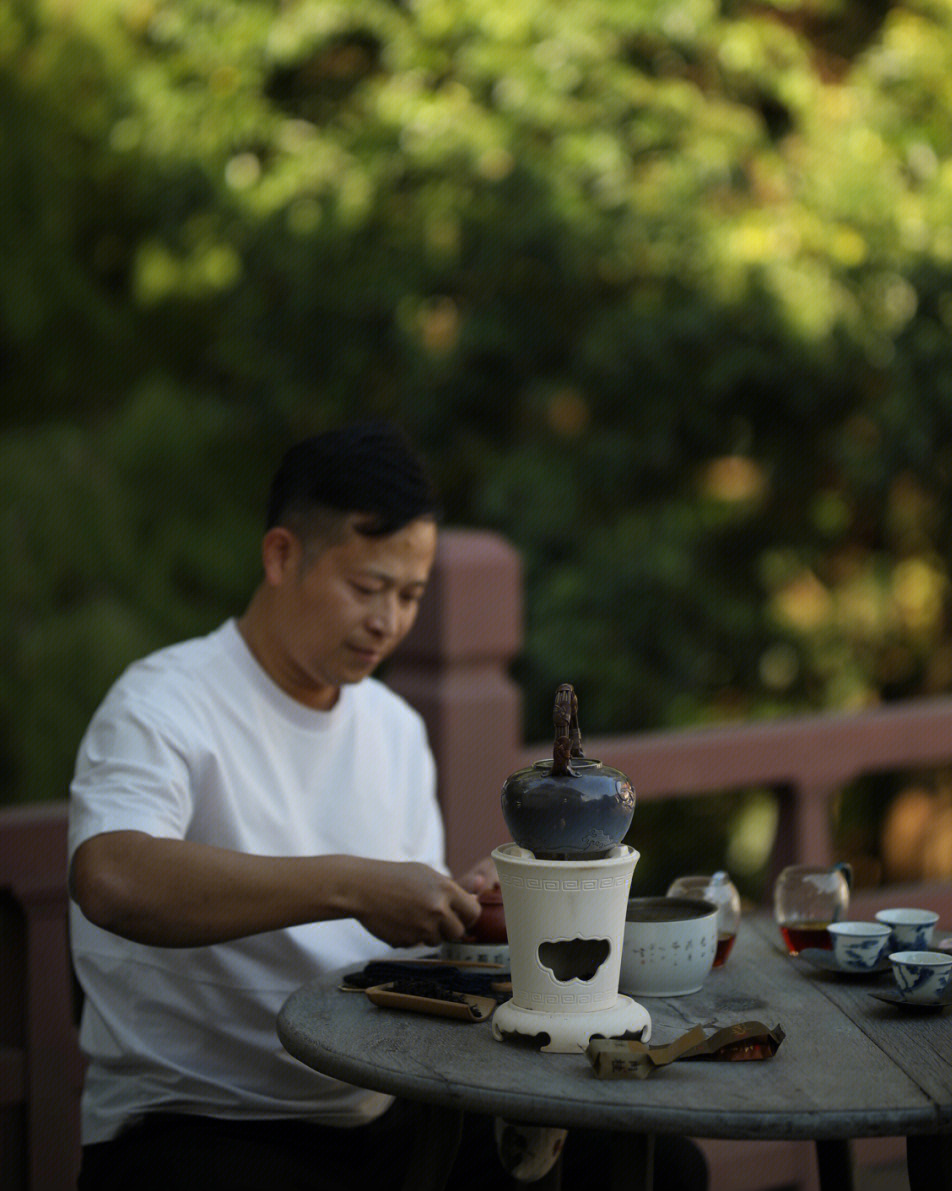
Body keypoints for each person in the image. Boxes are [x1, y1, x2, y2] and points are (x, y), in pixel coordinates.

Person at [69, 422, 706, 1191]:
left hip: (386, 1113)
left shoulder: (394, 728)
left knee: (658, 1164)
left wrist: (462, 907)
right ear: (281, 556)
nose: (389, 621)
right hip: (203, 1120)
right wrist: (356, 884)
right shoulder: (163, 704)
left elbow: (401, 956)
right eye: (367, 589)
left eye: (409, 595)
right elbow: (111, 879)